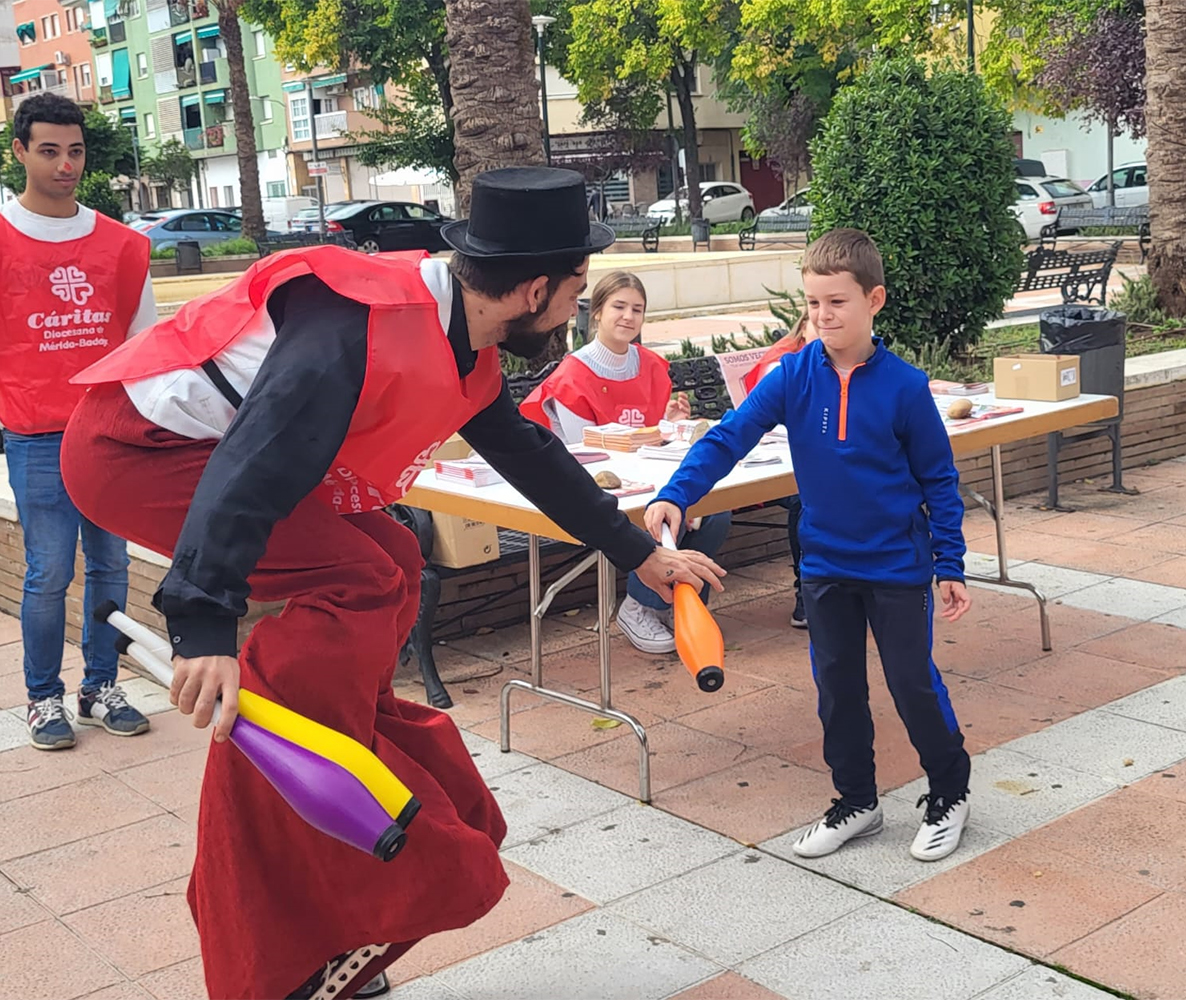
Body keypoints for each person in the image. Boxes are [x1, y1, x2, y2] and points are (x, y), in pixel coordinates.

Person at [57, 167, 725, 1000]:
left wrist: (637, 553)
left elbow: (529, 456)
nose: (577, 310)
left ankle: (346, 741)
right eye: (575, 291)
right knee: (365, 575)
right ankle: (308, 766)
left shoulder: (459, 335)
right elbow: (254, 465)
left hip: (211, 461)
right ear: (531, 289)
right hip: (136, 454)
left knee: (395, 558)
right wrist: (204, 632)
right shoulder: (353, 327)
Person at [645, 228, 974, 863]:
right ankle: (857, 800)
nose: (822, 316)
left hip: (897, 567)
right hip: (824, 564)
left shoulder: (905, 387)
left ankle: (949, 792)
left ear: (874, 300)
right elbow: (728, 437)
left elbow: (940, 480)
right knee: (836, 687)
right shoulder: (792, 375)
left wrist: (949, 561)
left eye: (837, 302)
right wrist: (678, 493)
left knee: (911, 683)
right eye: (813, 302)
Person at [0, 93, 158, 750]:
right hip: (36, 441)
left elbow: (144, 343)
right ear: (20, 152)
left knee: (112, 565)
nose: (66, 164)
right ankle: (42, 697)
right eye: (50, 150)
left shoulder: (122, 246)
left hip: (112, 437)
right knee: (49, 571)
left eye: (76, 150)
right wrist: (10, 412)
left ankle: (100, 685)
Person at [520, 271, 732, 654]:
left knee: (716, 511)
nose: (628, 317)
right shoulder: (573, 374)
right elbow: (587, 452)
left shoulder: (652, 366)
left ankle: (673, 601)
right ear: (597, 312)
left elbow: (652, 435)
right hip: (591, 488)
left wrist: (670, 424)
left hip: (647, 477)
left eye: (638, 309)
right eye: (619, 306)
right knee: (665, 515)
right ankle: (639, 606)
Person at [741, 310, 814, 629]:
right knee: (804, 496)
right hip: (769, 466)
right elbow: (748, 426)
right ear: (804, 326)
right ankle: (807, 592)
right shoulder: (782, 366)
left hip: (811, 464)